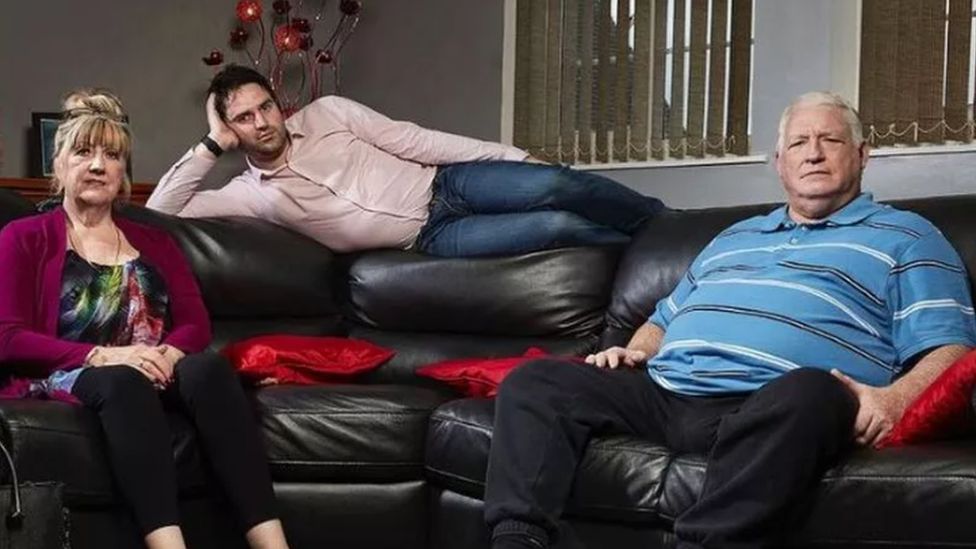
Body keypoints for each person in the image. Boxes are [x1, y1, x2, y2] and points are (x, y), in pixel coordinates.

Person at [482, 91, 976, 549]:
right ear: (780, 163)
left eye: (831, 140)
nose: (814, 153)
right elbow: (662, 318)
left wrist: (894, 399)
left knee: (817, 391)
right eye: (799, 142)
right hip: (664, 393)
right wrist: (635, 349)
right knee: (538, 379)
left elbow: (949, 346)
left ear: (863, 154)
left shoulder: (908, 237)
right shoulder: (733, 237)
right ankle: (518, 539)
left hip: (772, 402)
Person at [0, 90, 290, 549]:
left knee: (209, 367)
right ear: (59, 165)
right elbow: (9, 338)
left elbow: (195, 323)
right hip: (74, 373)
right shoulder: (24, 237)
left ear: (123, 174)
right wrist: (104, 355)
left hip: (156, 367)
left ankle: (273, 544)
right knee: (122, 379)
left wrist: (168, 354)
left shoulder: (156, 242)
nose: (98, 165)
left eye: (112, 155)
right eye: (83, 152)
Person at [147, 65, 665, 257]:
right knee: (557, 225)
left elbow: (417, 141)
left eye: (266, 107)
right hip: (430, 238)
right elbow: (161, 211)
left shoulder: (330, 113)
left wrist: (514, 156)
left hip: (450, 184)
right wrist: (209, 145)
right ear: (230, 128)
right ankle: (642, 251)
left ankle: (663, 226)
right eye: (243, 118)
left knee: (555, 184)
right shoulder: (248, 195)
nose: (262, 121)